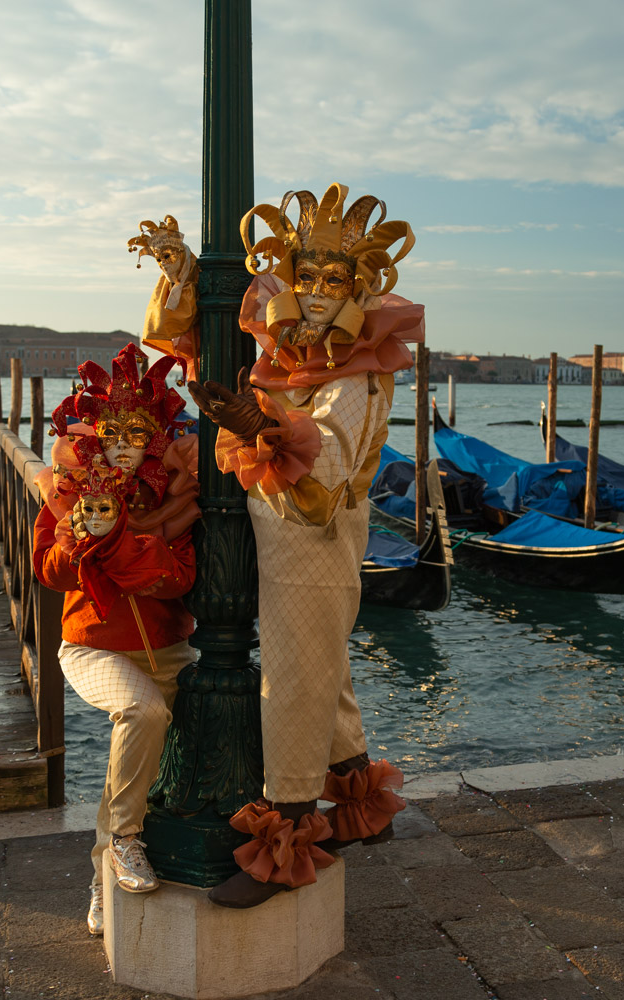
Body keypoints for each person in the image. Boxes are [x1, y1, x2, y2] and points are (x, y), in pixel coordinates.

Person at [186, 183, 424, 908]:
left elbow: (332, 457)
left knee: (291, 681)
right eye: (307, 278)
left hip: (312, 536)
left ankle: (284, 843)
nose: (317, 294)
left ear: (361, 289)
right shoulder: (302, 353)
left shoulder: (360, 367)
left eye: (335, 281)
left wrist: (258, 428)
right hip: (289, 532)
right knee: (327, 667)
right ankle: (358, 813)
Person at [33, 344, 199, 935]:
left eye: (138, 433)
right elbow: (49, 572)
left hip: (170, 649)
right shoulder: (69, 494)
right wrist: (81, 538)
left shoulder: (177, 503)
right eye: (113, 433)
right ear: (94, 438)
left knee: (138, 755)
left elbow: (177, 579)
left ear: (155, 440)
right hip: (91, 645)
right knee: (141, 709)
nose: (124, 445)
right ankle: (125, 842)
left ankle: (103, 877)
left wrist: (125, 541)